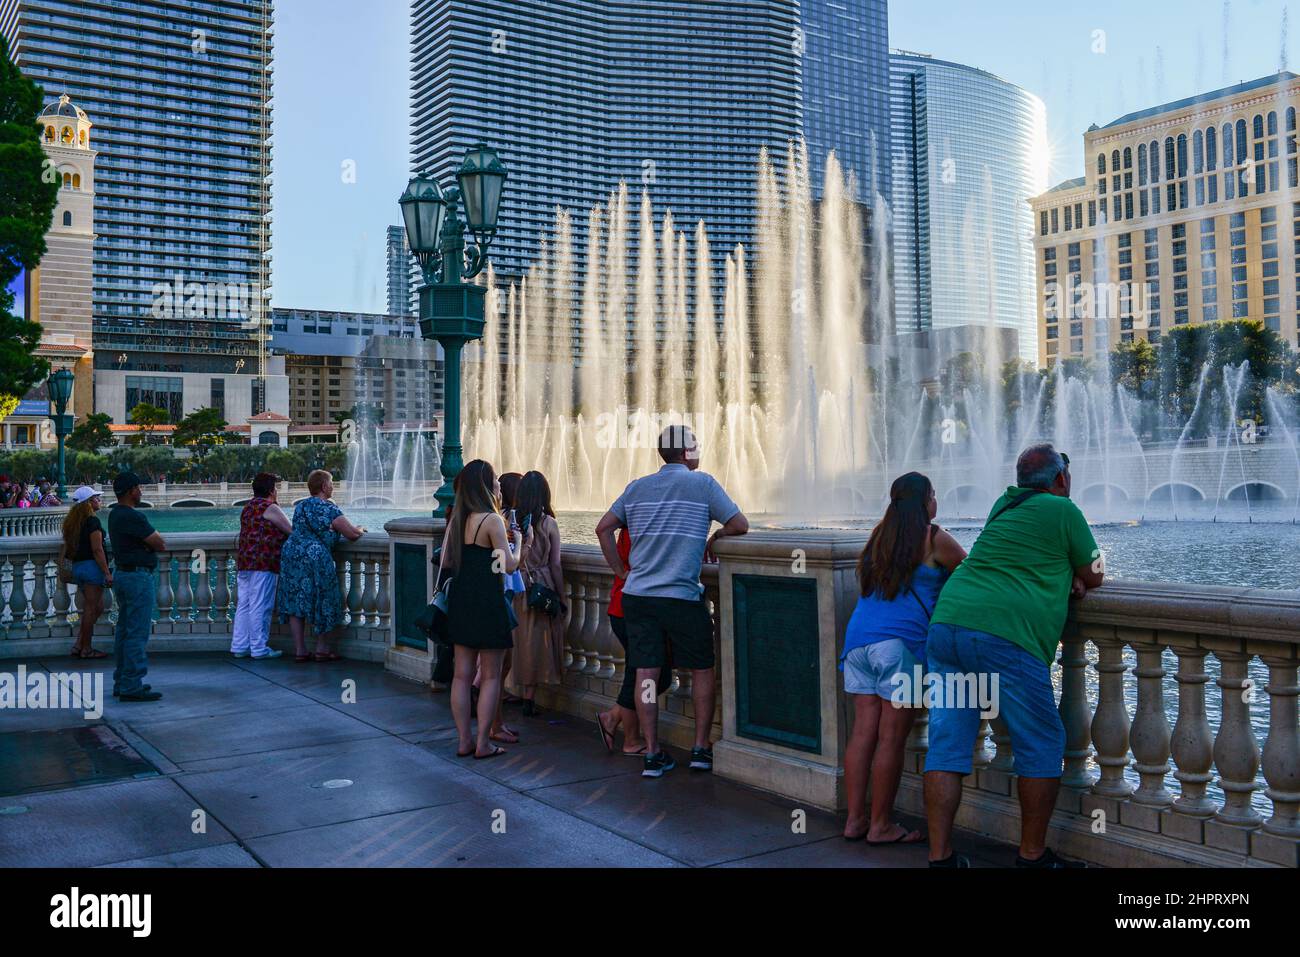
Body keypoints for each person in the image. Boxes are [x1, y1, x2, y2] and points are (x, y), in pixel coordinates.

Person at [923, 444, 1103, 869]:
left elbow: (1010, 557)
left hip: (948, 624)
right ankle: (1032, 857)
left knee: (947, 746)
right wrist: (1073, 576)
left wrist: (1061, 573)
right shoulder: (1064, 511)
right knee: (1041, 742)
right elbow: (1094, 573)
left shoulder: (1004, 505)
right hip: (1004, 634)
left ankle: (940, 859)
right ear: (1061, 479)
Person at [595, 425, 748, 779]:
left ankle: (651, 753)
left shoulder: (637, 487)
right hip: (681, 595)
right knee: (701, 669)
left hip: (639, 597)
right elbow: (740, 524)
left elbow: (603, 528)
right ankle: (700, 748)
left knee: (646, 672)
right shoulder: (703, 484)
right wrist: (718, 533)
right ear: (687, 452)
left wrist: (621, 572)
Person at [840, 473, 966, 844]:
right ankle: (880, 826)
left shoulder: (880, 535)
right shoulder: (933, 537)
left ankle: (854, 821)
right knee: (891, 738)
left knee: (863, 733)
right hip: (900, 647)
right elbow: (973, 573)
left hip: (858, 642)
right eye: (934, 495)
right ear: (927, 501)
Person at [442, 459, 533, 759]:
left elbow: (446, 562)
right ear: (485, 485)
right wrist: (521, 542)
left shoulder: (457, 518)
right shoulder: (492, 521)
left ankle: (463, 741)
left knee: (461, 676)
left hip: (461, 601)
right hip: (488, 601)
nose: (498, 485)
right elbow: (508, 564)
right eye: (494, 480)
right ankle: (483, 743)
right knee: (492, 675)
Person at [595, 527, 674, 756]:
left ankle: (614, 717)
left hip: (623, 607)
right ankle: (629, 738)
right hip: (631, 609)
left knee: (642, 674)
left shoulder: (633, 519)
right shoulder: (642, 523)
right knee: (640, 676)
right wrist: (621, 571)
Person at [276, 469, 365, 662]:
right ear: (324, 486)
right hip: (314, 557)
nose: (333, 486)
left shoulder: (300, 506)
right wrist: (359, 528)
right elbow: (351, 534)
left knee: (295, 600)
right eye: (331, 483)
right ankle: (322, 649)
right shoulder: (329, 508)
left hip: (291, 554)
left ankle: (300, 650)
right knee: (324, 598)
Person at [508, 470, 566, 716]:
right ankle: (529, 700)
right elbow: (555, 564)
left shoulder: (507, 520)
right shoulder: (548, 523)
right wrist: (562, 596)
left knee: (516, 640)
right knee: (536, 642)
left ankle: (509, 689)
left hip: (513, 584)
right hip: (540, 586)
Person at [108, 471, 167, 701]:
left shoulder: (114, 515)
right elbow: (159, 543)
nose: (141, 492)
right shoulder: (133, 517)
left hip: (122, 575)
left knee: (124, 631)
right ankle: (132, 684)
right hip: (137, 578)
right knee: (136, 633)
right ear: (132, 490)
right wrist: (148, 546)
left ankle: (121, 681)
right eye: (139, 488)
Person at [231, 472, 292, 660]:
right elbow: (291, 530)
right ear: (272, 490)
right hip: (264, 562)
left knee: (244, 604)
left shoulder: (248, 507)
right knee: (260, 605)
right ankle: (259, 648)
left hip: (245, 562)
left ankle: (239, 646)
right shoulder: (270, 507)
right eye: (276, 488)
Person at [63, 485, 112, 660]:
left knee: (97, 607)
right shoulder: (92, 522)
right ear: (88, 503)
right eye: (96, 498)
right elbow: (97, 549)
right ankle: (86, 649)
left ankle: (78, 644)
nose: (99, 500)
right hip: (92, 568)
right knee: (90, 609)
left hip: (78, 568)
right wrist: (107, 573)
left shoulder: (72, 523)